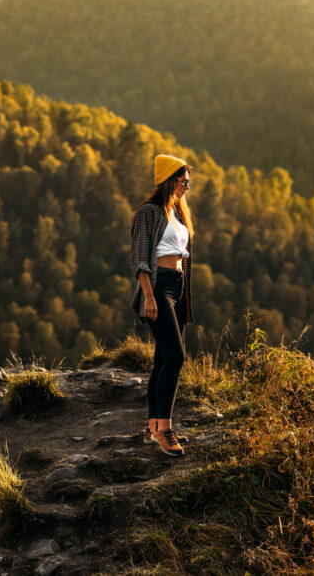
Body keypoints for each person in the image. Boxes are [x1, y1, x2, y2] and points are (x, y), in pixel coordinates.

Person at [129, 154, 195, 457]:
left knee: (162, 360)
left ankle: (153, 427)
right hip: (158, 287)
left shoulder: (178, 214)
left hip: (178, 287)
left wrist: (184, 299)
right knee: (176, 357)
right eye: (183, 181)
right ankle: (164, 430)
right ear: (169, 180)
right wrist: (149, 296)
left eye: (188, 182)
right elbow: (140, 257)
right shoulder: (149, 212)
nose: (186, 187)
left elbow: (182, 255)